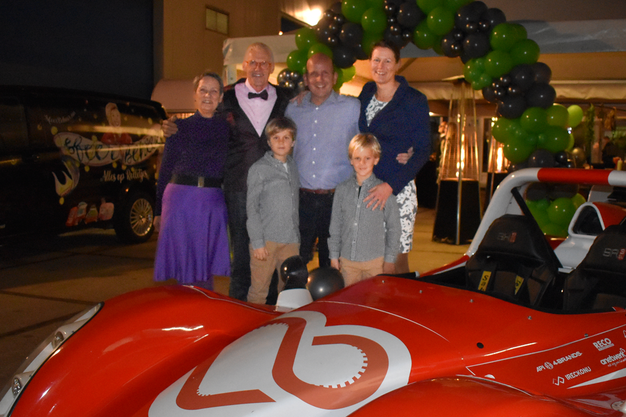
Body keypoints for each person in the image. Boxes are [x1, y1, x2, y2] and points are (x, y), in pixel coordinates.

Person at [162, 42, 294, 302]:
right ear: (243, 65)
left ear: (271, 67)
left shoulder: (286, 97)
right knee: (242, 254)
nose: (258, 67)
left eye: (263, 63)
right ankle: (239, 307)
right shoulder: (226, 97)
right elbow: (203, 118)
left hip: (273, 189)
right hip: (238, 186)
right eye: (252, 62)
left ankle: (268, 309)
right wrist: (174, 126)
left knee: (270, 251)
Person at [358, 40, 431, 274]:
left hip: (397, 190)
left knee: (395, 261)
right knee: (371, 260)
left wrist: (390, 186)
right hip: (367, 190)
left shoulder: (413, 99)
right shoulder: (366, 93)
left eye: (387, 61)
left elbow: (423, 149)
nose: (381, 66)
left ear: (398, 64)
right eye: (376, 60)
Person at [154, 71, 230, 289]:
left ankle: (203, 306)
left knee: (205, 264)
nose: (208, 95)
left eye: (214, 91)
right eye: (203, 90)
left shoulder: (227, 129)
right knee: (184, 264)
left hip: (211, 203)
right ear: (195, 95)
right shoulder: (179, 127)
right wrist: (158, 210)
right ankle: (187, 306)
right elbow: (165, 169)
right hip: (180, 201)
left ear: (220, 97)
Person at [285, 52, 360, 268]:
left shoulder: (352, 108)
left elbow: (369, 143)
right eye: (314, 74)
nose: (320, 79)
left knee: (334, 265)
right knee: (295, 263)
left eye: (325, 73)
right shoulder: (293, 109)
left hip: (338, 201)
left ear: (335, 77)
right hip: (301, 200)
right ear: (306, 79)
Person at [328, 133, 400, 286]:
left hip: (375, 263)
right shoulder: (342, 190)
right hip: (348, 262)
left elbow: (394, 228)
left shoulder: (384, 192)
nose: (362, 163)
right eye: (357, 158)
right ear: (351, 160)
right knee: (350, 299)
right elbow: (335, 225)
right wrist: (334, 255)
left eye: (367, 158)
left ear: (376, 159)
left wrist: (389, 260)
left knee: (375, 298)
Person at [246, 117, 300, 304]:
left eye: (286, 138)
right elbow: (252, 208)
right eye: (276, 138)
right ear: (269, 142)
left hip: (290, 240)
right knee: (259, 289)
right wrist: (257, 242)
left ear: (293, 142)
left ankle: (286, 320)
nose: (281, 142)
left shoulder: (293, 166)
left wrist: (296, 238)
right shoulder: (259, 169)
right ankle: (253, 321)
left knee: (289, 291)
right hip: (265, 242)